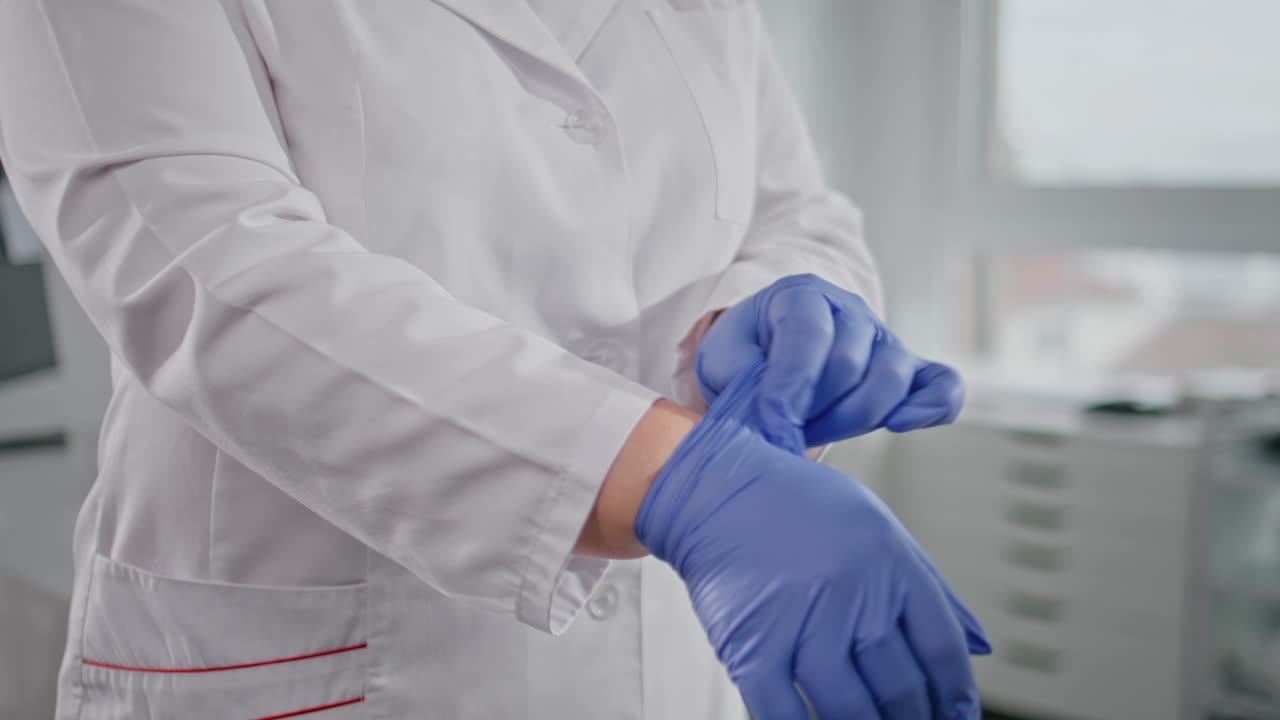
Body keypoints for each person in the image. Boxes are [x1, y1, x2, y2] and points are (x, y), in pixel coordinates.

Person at [0, 1, 986, 718]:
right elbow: (207, 270)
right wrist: (670, 484)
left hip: (674, 661)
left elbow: (793, 206)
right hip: (320, 663)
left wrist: (769, 305)